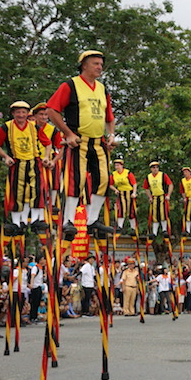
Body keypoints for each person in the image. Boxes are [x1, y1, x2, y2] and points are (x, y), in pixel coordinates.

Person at [45, 50, 117, 240]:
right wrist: (67, 133)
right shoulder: (71, 85)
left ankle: (92, 220)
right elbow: (52, 110)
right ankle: (68, 220)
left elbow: (110, 117)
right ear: (84, 65)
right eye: (95, 64)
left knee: (103, 180)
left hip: (99, 142)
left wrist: (111, 135)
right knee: (76, 180)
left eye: (101, 64)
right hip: (79, 141)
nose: (100, 67)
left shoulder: (102, 89)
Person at [0, 101, 52, 235]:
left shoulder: (34, 126)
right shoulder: (6, 127)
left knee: (36, 191)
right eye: (18, 112)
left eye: (24, 112)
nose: (21, 115)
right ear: (13, 113)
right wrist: (6, 157)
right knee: (17, 192)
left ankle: (35, 220)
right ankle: (16, 222)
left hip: (34, 162)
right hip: (17, 163)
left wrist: (46, 157)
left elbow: (47, 143)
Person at [143, 162, 173, 238]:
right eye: (153, 167)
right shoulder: (148, 177)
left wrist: (168, 195)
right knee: (155, 215)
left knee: (163, 213)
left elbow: (170, 185)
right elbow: (146, 188)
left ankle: (164, 230)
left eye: (156, 167)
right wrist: (150, 197)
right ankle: (154, 232)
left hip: (162, 196)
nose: (155, 169)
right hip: (154, 197)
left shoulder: (163, 175)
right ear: (151, 169)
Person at [110, 159, 138, 235]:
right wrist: (115, 189)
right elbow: (110, 184)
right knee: (121, 209)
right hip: (121, 193)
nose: (117, 167)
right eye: (115, 165)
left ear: (122, 166)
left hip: (129, 192)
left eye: (118, 165)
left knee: (130, 210)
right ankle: (120, 226)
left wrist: (134, 193)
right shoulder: (114, 174)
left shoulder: (127, 173)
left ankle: (133, 228)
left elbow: (134, 183)